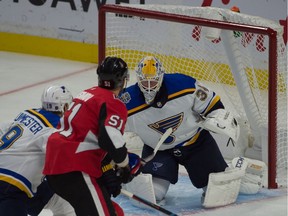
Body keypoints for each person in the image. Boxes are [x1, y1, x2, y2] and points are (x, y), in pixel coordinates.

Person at [120, 56, 265, 208]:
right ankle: (129, 183)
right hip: (158, 151)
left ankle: (238, 169)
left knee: (216, 193)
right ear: (138, 79)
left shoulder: (184, 85)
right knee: (150, 196)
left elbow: (213, 104)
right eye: (145, 82)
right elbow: (111, 131)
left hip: (196, 144)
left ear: (161, 77)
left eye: (153, 82)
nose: (149, 87)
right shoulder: (127, 102)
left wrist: (218, 117)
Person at [43, 57, 142, 216]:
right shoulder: (113, 102)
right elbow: (108, 137)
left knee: (112, 211)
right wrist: (123, 166)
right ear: (122, 81)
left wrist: (106, 171)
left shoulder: (86, 93)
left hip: (54, 166)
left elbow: (89, 137)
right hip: (75, 168)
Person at [0, 85, 75, 216]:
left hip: (15, 181)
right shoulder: (56, 128)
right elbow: (61, 157)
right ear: (65, 106)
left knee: (63, 201)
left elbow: (3, 128)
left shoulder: (26, 113)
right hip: (11, 186)